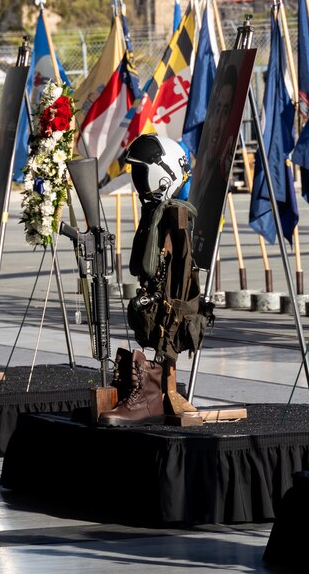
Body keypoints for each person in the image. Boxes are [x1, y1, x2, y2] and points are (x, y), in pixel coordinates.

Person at [100, 133, 213, 427]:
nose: (138, 178)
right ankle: (147, 387)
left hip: (172, 319)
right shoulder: (155, 212)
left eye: (141, 170)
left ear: (165, 173)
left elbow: (181, 285)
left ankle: (154, 393)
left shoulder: (177, 216)